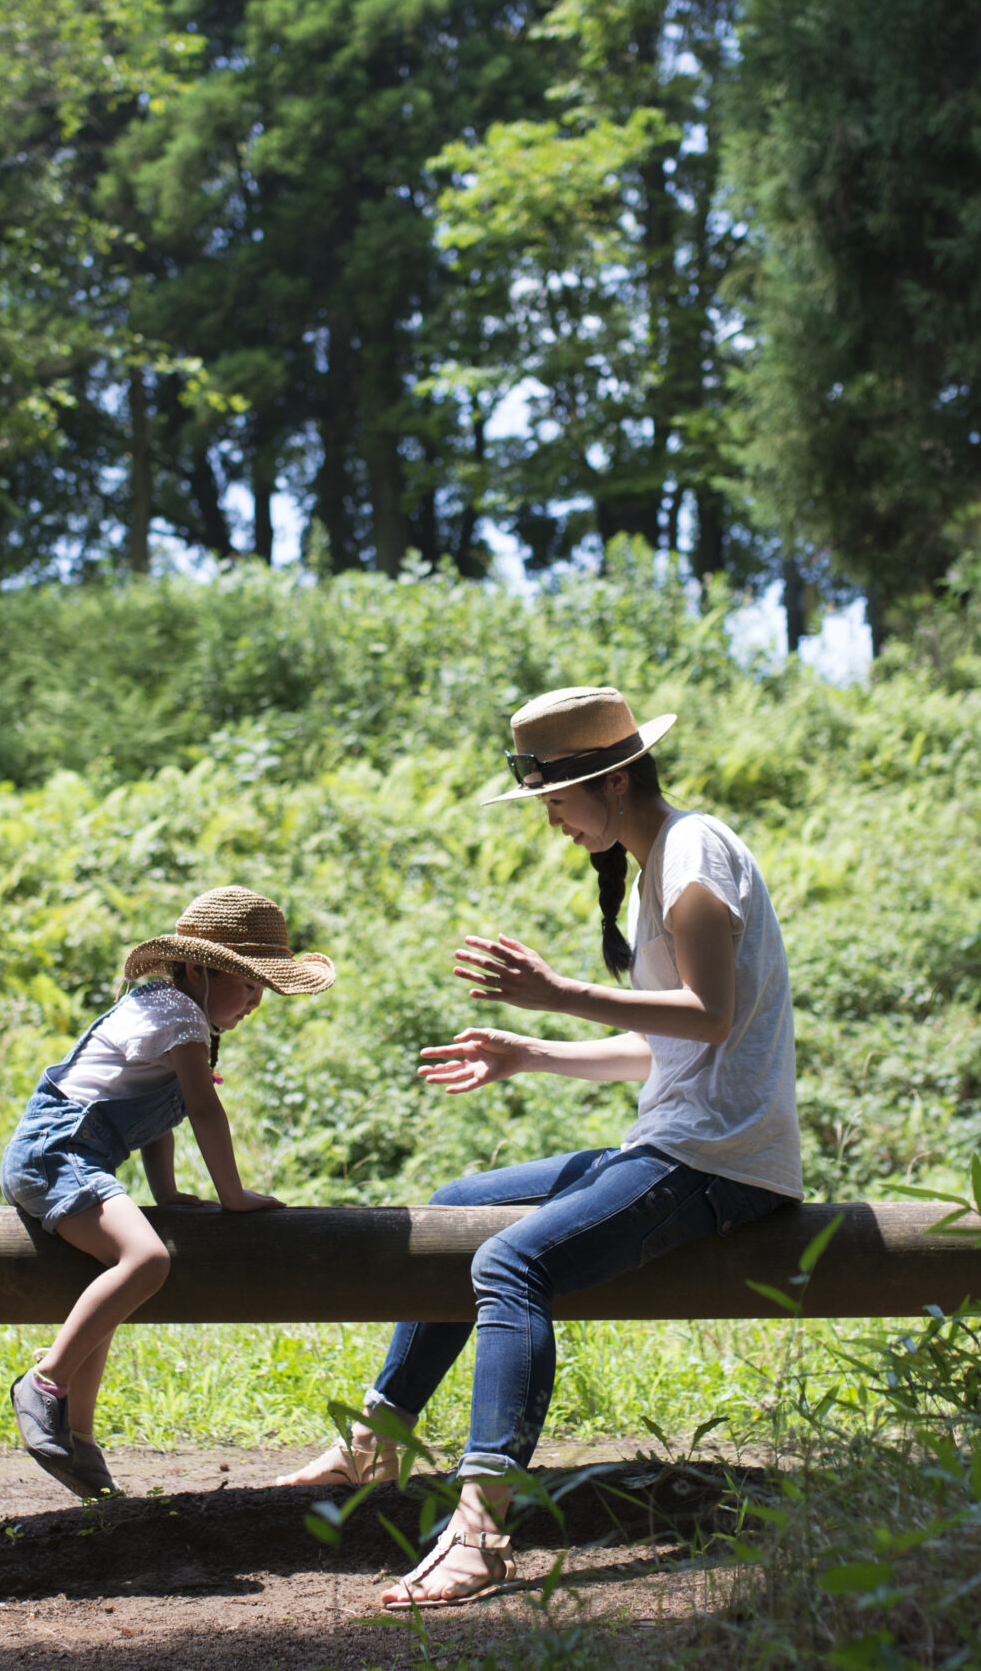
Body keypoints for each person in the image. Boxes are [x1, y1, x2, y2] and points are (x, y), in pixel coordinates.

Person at [276, 686, 803, 1608]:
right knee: (457, 1204)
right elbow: (665, 1043)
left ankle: (481, 1530)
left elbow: (713, 1017)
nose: (552, 820)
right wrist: (532, 1054)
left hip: (719, 1162)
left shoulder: (693, 852)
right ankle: (377, 1439)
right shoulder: (659, 864)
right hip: (680, 1142)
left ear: (609, 779)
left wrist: (558, 994)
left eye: (553, 800)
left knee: (509, 1262)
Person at [2, 887, 332, 1498]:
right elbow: (204, 1109)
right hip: (58, 1153)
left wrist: (168, 1192)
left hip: (72, 1153)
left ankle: (78, 1441)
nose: (256, 1003)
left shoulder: (173, 1011)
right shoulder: (179, 1016)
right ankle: (43, 1383)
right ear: (203, 970)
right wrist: (232, 1196)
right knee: (147, 1259)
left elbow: (157, 1114)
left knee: (111, 1287)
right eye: (250, 985)